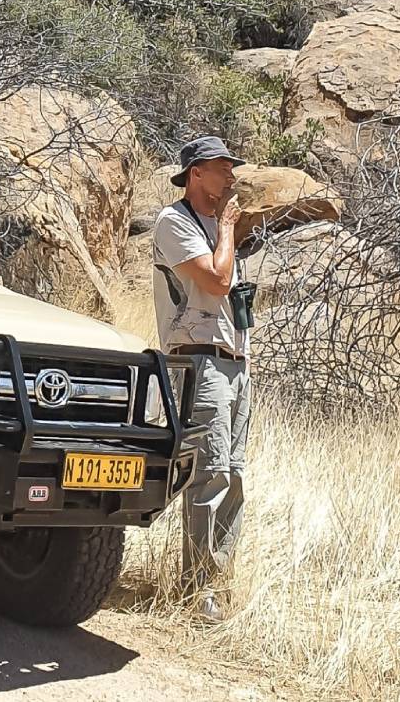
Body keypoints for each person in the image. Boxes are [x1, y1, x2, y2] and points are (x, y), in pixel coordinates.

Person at [152, 135, 252, 624]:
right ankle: (199, 591)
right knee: (208, 473)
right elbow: (215, 280)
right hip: (199, 360)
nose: (230, 175)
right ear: (196, 173)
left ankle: (218, 580)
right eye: (221, 167)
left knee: (233, 471)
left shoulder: (216, 226)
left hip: (234, 359)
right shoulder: (176, 222)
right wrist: (229, 231)